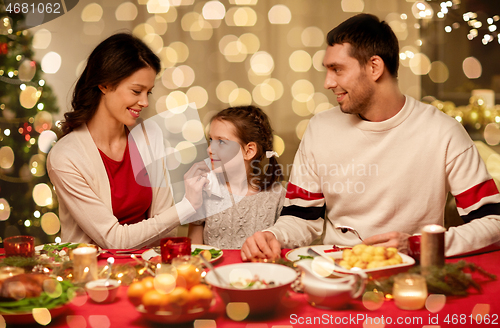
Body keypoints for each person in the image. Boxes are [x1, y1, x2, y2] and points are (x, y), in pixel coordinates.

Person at [241, 13, 500, 261]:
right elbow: (300, 217)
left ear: (374, 66)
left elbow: (493, 223)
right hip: (337, 271)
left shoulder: (443, 132)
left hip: (411, 275)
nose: (327, 83)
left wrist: (418, 245)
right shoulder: (320, 128)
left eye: (337, 69)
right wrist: (272, 236)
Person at [47, 33, 208, 249]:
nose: (145, 102)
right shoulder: (65, 158)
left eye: (148, 92)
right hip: (92, 277)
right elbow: (113, 240)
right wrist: (187, 207)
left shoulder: (150, 136)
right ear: (104, 84)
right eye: (136, 91)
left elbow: (165, 228)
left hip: (147, 270)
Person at [188, 106, 286, 249]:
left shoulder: (277, 195)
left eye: (221, 142)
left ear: (249, 151)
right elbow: (194, 251)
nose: (210, 149)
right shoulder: (205, 190)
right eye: (211, 140)